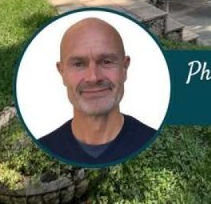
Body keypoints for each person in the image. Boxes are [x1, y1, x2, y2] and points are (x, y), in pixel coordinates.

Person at [37, 17, 157, 165]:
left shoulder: (152, 141)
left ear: (124, 68)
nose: (93, 78)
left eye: (106, 62)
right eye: (78, 64)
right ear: (62, 72)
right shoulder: (45, 147)